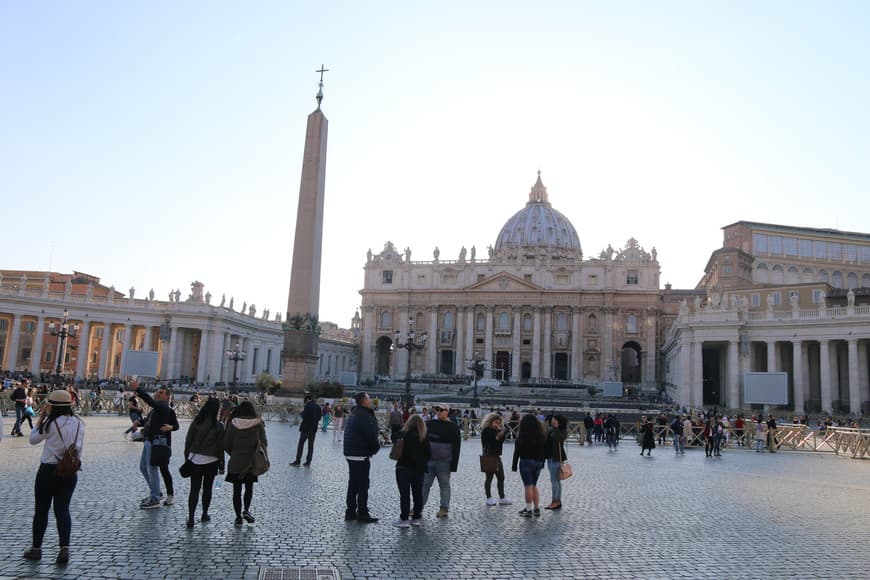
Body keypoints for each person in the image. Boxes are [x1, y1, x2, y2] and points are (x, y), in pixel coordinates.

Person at [23, 389, 85, 565]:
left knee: (41, 510)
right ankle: (64, 548)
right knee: (63, 510)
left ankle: (36, 549)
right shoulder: (80, 424)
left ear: (52, 406)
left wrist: (41, 419)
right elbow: (79, 450)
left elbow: (33, 440)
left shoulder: (49, 423)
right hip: (69, 471)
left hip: (48, 470)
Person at [223, 401, 267, 527]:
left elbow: (226, 443)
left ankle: (237, 517)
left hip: (236, 461)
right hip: (251, 462)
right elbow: (264, 442)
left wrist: (234, 453)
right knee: (249, 488)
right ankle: (246, 510)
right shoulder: (258, 424)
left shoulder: (233, 423)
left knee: (236, 491)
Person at [183, 398, 224, 528]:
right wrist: (222, 464)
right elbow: (220, 446)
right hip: (211, 461)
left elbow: (188, 441)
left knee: (194, 489)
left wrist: (187, 458)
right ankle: (205, 513)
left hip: (195, 460)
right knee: (207, 489)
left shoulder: (196, 422)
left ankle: (190, 517)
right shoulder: (218, 425)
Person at [343, 392, 381, 523]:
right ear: (364, 401)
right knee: (363, 485)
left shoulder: (355, 413)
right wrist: (376, 448)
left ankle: (350, 512)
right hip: (360, 454)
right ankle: (362, 513)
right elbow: (370, 435)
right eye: (369, 398)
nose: (370, 400)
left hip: (351, 452)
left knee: (353, 483)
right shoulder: (364, 415)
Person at [135, 383, 174, 509]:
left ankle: (155, 498)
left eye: (161, 392)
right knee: (143, 467)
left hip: (156, 442)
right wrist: (140, 423)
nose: (157, 393)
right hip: (148, 440)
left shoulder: (163, 406)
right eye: (157, 391)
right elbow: (149, 421)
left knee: (153, 469)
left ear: (167, 397)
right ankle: (156, 491)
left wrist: (138, 389)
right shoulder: (157, 409)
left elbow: (150, 401)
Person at [422, 404, 461, 518]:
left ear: (447, 412)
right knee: (424, 485)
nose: (438, 412)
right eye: (437, 410)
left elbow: (457, 447)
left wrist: (454, 465)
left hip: (445, 462)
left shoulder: (453, 427)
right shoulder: (429, 424)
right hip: (429, 460)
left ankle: (444, 508)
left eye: (441, 410)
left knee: (444, 486)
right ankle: (418, 507)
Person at [393, 414, 431, 528]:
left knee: (404, 494)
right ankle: (416, 518)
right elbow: (429, 454)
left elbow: (393, 437)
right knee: (417, 493)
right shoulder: (424, 437)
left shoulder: (404, 434)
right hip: (419, 469)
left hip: (404, 467)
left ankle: (404, 519)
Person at [511, 414, 548, 517]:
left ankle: (528, 509)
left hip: (526, 461)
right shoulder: (541, 435)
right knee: (534, 485)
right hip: (538, 462)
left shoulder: (522, 435)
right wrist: (543, 463)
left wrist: (514, 465)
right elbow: (544, 450)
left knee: (528, 486)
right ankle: (536, 508)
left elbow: (516, 452)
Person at [480, 412, 511, 506]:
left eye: (499, 423)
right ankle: (488, 497)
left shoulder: (497, 431)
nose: (497, 425)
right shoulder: (486, 431)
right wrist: (497, 436)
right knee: (489, 478)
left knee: (501, 477)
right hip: (489, 456)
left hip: (496, 456)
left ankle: (502, 497)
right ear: (490, 422)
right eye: (495, 422)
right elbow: (489, 443)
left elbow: (499, 444)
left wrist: (501, 436)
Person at [545, 414, 568, 510]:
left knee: (554, 480)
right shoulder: (552, 429)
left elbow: (557, 438)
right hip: (550, 457)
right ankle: (558, 501)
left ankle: (555, 501)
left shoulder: (561, 431)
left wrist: (556, 427)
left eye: (554, 419)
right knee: (556, 480)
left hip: (556, 458)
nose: (552, 420)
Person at [291, 395, 320, 467]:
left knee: (301, 445)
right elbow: (319, 418)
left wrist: (301, 412)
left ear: (307, 399)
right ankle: (308, 462)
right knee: (310, 446)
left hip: (305, 429)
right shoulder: (318, 407)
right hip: (313, 430)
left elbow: (304, 416)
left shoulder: (307, 406)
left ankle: (298, 461)